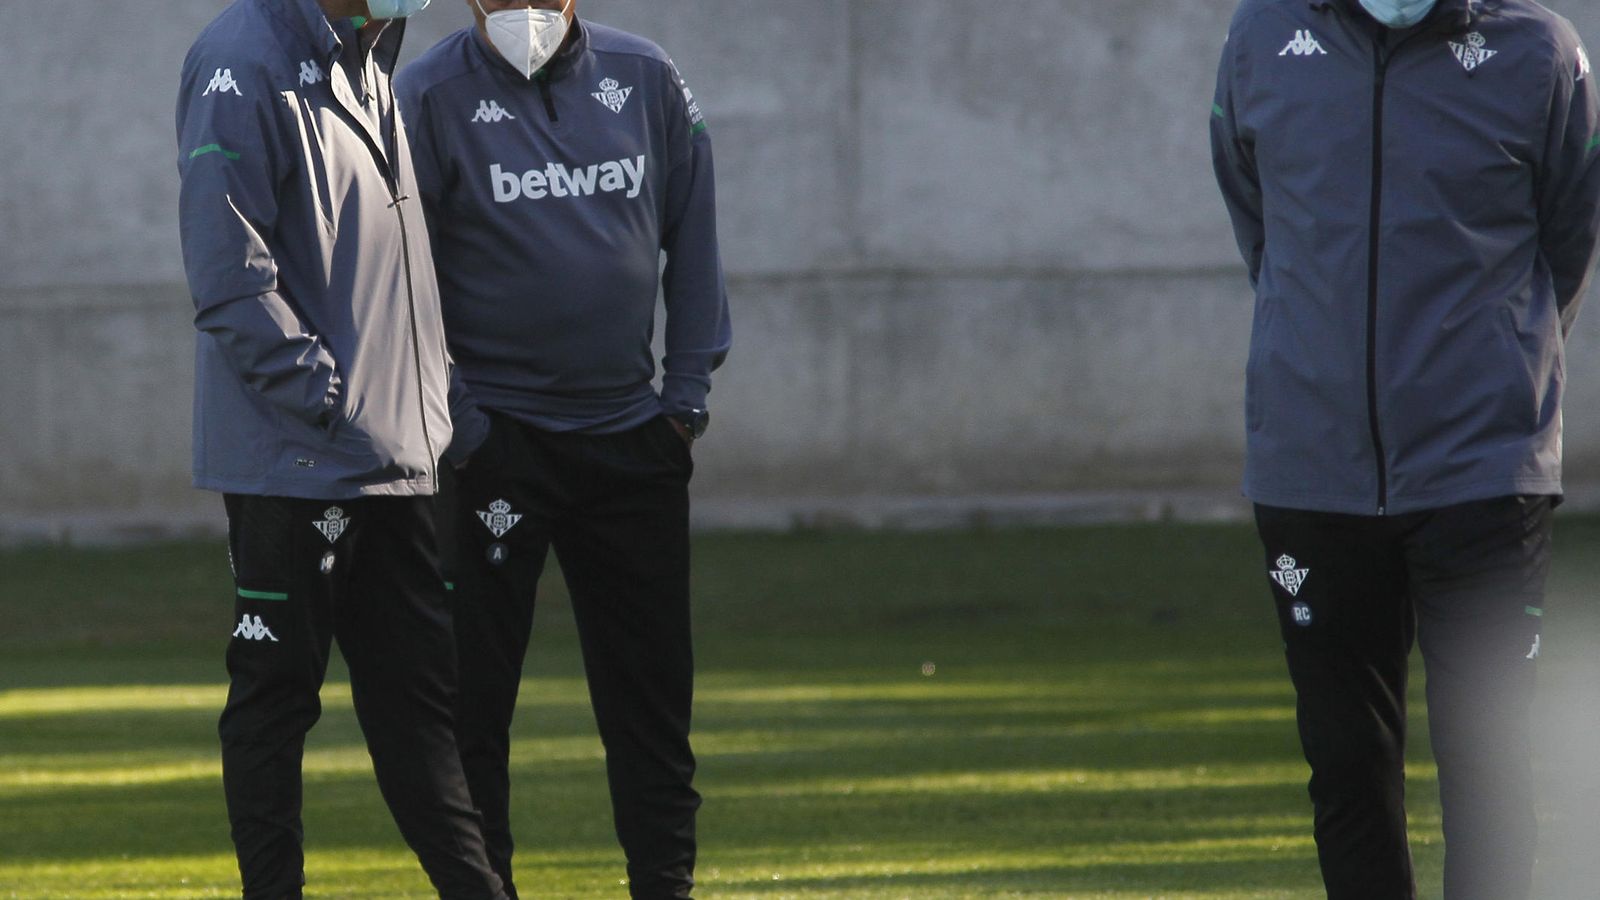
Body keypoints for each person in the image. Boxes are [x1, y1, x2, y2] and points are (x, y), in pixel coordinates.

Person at [1211, 0, 1600, 897]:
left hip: (1485, 475)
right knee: (1347, 766)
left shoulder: (1541, 49)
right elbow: (1259, 219)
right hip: (1313, 470)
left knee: (1490, 768)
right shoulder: (1261, 36)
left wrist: (1499, 366)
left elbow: (1567, 237)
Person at [394, 1, 731, 897]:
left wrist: (683, 402)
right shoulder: (426, 93)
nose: (520, 7)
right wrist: (464, 428)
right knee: (472, 705)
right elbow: (401, 279)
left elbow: (693, 242)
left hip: (632, 439)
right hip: (496, 447)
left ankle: (666, 884)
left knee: (652, 703)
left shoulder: (647, 76)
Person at [176, 0, 508, 897]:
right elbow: (229, 278)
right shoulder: (239, 60)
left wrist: (442, 409)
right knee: (276, 703)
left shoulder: (369, 59)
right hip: (298, 464)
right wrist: (334, 403)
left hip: (399, 465)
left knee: (420, 716)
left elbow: (398, 270)